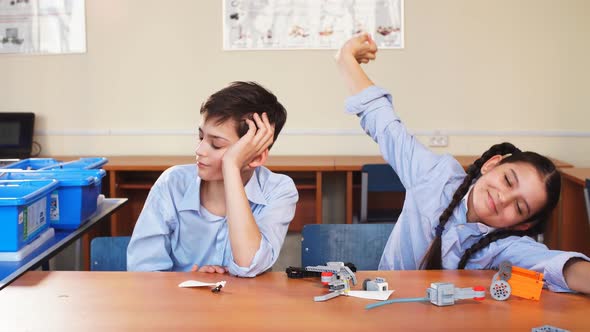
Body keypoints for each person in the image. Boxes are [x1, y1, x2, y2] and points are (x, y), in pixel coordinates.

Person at [335, 33, 590, 293]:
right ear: (491, 164)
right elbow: (385, 125)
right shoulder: (436, 177)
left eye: (519, 206)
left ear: (522, 225)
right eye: (508, 180)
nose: (503, 198)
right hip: (386, 309)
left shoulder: (505, 245)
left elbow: (557, 265)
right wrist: (346, 59)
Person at [127, 81, 298, 277]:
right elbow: (142, 273)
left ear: (256, 157)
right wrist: (186, 282)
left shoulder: (279, 190)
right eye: (201, 138)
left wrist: (231, 167)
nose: (199, 151)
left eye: (216, 145)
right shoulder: (172, 183)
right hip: (178, 304)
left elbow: (248, 265)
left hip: (245, 306)